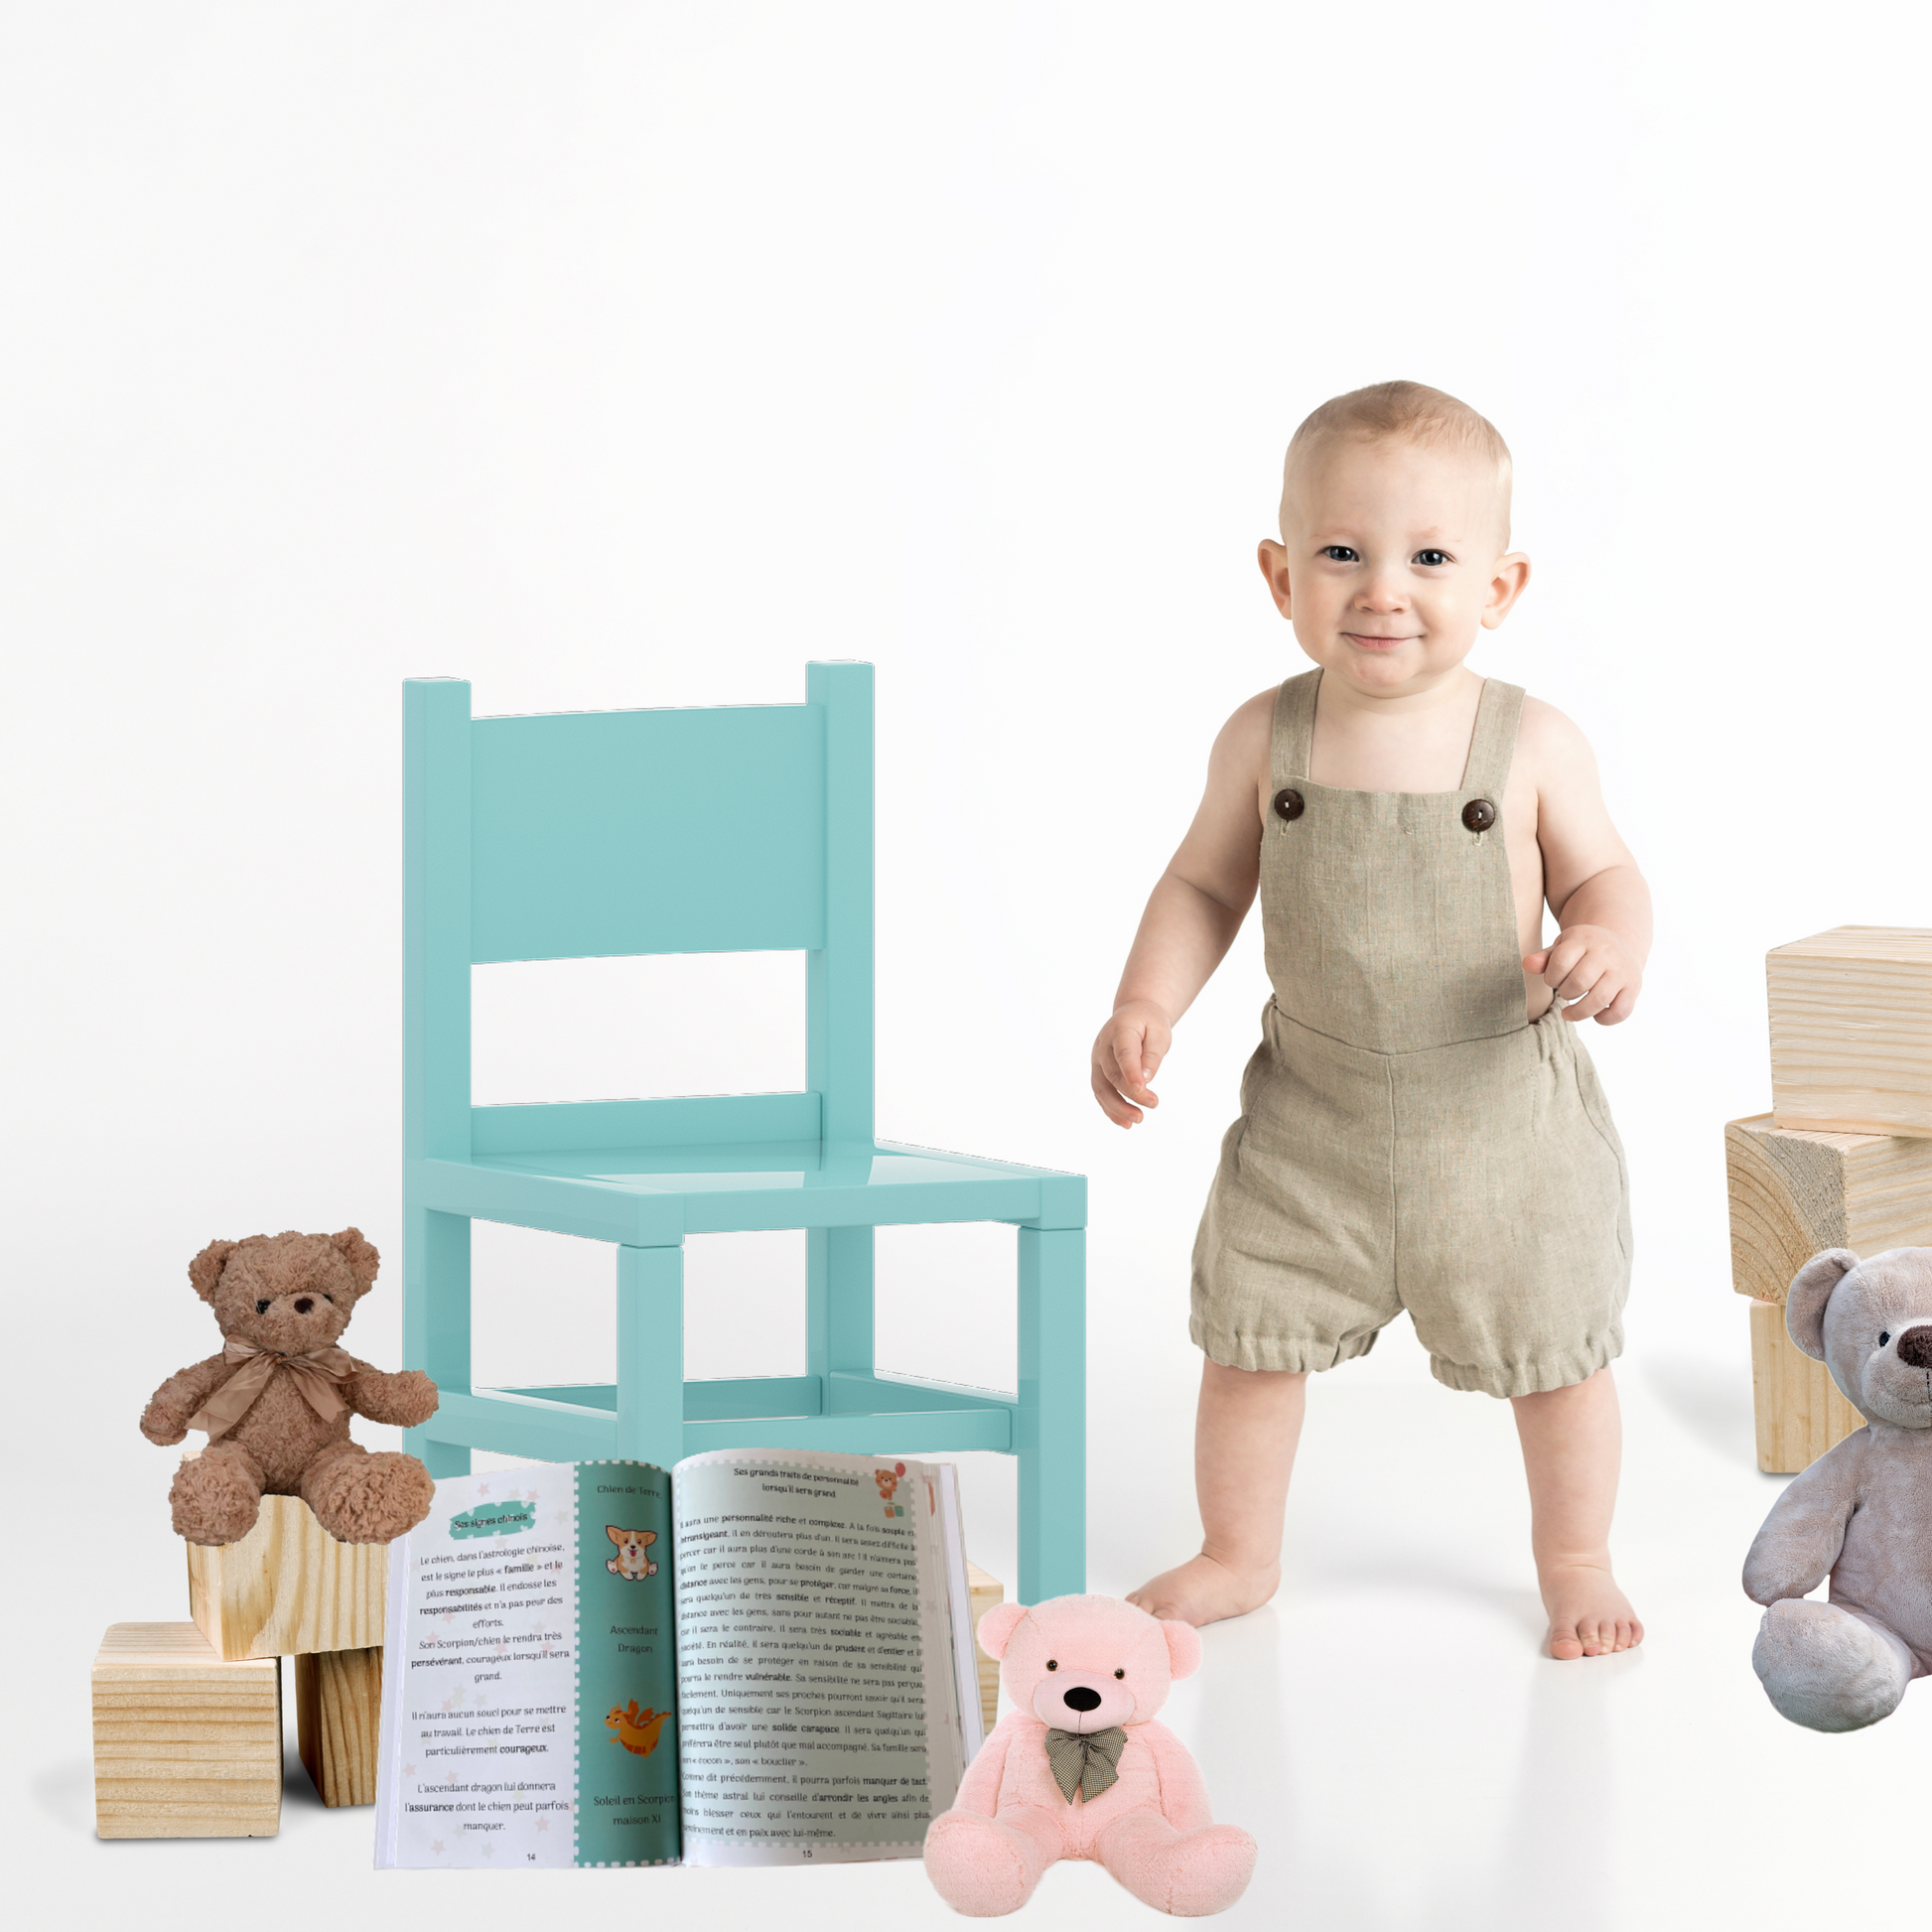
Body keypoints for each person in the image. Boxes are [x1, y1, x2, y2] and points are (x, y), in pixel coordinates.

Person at [1094, 382, 1646, 1658]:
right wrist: (1144, 1000)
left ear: (1500, 586)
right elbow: (1200, 882)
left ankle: (1573, 1555)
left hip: (1499, 1125)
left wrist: (1608, 941)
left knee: (1553, 1355)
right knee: (1247, 1338)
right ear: (1278, 573)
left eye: (1429, 557)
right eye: (1340, 552)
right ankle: (1237, 1550)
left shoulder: (1530, 742)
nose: (1380, 588)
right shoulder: (1262, 734)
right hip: (1314, 1117)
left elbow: (1606, 875)